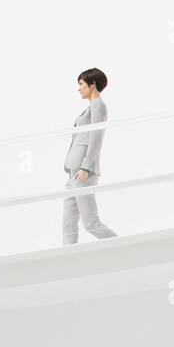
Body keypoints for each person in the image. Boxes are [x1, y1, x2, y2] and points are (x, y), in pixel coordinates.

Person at [63, 68, 117, 244]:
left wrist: (86, 167)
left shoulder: (98, 106)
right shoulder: (90, 108)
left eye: (81, 84)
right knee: (68, 221)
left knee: (90, 222)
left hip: (83, 172)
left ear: (92, 84)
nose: (79, 88)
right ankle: (66, 256)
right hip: (73, 173)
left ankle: (122, 246)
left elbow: (96, 137)